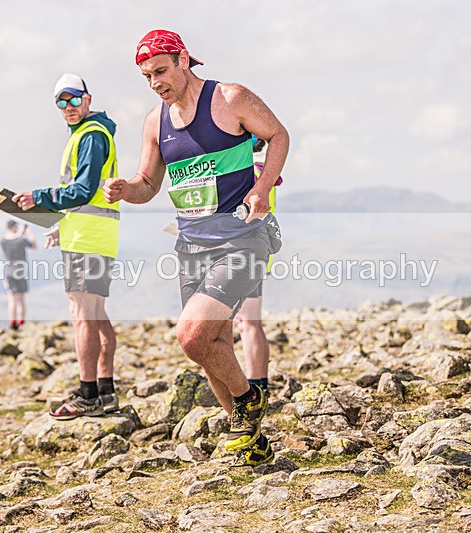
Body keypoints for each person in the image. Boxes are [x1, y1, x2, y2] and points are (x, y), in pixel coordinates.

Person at [103, 30, 289, 466]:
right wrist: (123, 188)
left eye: (161, 71)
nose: (155, 83)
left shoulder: (230, 97)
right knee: (214, 345)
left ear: (184, 59)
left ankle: (248, 400)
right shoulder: (156, 121)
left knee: (191, 336)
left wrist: (261, 190)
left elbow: (278, 135)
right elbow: (147, 184)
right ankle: (252, 445)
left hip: (242, 238)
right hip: (191, 245)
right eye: (147, 76)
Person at [13, 73, 121, 419]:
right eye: (61, 102)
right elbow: (86, 198)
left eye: (74, 99)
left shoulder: (90, 136)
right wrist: (62, 224)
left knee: (82, 317)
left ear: (87, 99)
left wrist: (38, 198)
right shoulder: (90, 134)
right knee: (96, 314)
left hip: (87, 240)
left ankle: (87, 393)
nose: (69, 107)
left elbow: (83, 190)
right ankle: (105, 391)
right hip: (94, 235)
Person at [234, 135, 281, 396]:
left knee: (247, 323)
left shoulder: (245, 171)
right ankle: (260, 384)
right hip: (258, 252)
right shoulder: (264, 170)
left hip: (244, 253)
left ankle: (256, 388)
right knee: (251, 322)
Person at [0, 220, 36, 330]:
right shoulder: (22, 241)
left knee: (11, 298)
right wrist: (29, 233)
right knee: (21, 299)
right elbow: (34, 245)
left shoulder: (3, 241)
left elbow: (11, 238)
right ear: (14, 227)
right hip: (21, 271)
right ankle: (21, 322)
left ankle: (12, 323)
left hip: (8, 271)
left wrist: (19, 233)